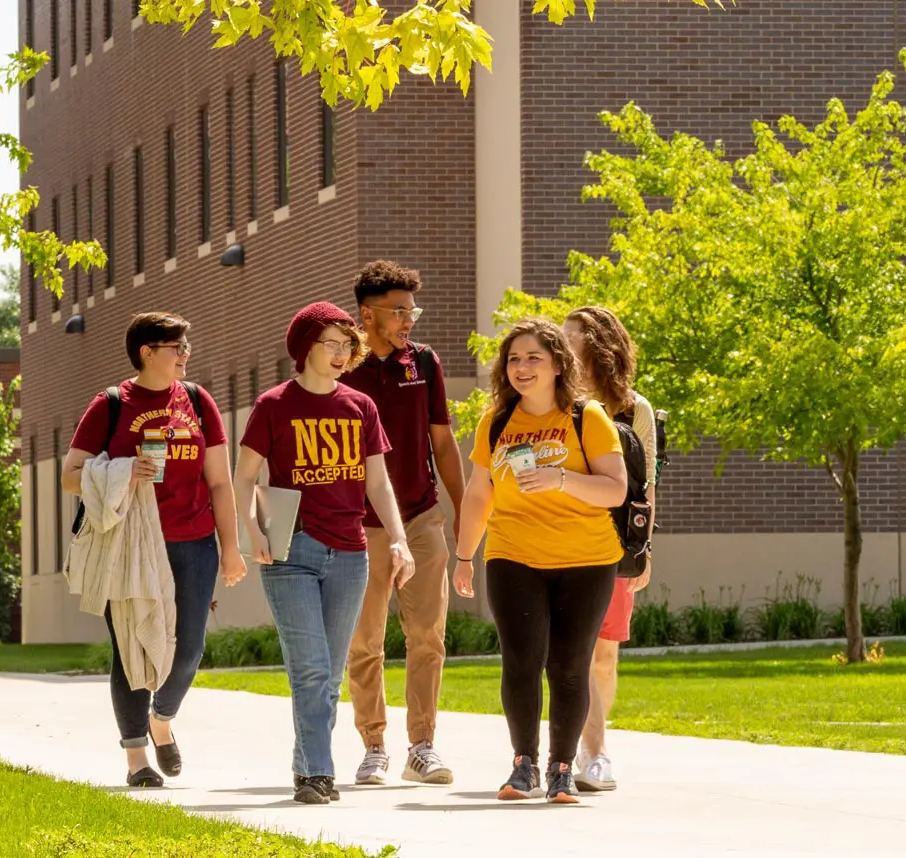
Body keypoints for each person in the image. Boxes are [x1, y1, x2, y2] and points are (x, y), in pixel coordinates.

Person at [234, 301, 415, 805]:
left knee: (330, 672)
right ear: (304, 347)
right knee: (310, 667)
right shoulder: (273, 405)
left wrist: (398, 537)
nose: (340, 354)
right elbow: (244, 477)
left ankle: (304, 762)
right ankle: (319, 771)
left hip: (351, 553)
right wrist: (253, 532)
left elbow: (377, 482)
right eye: (330, 344)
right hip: (289, 550)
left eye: (346, 345)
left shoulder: (360, 407)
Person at [62, 311, 247, 788]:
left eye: (187, 347)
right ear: (148, 353)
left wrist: (231, 548)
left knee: (188, 649)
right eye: (177, 348)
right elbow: (69, 476)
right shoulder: (110, 404)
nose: (186, 355)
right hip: (129, 544)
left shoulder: (197, 401)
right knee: (131, 649)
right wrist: (123, 470)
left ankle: (161, 718)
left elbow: (221, 483)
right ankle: (137, 759)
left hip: (195, 541)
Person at [453, 317, 628, 804]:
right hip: (514, 555)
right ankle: (523, 765)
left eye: (534, 358)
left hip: (587, 559)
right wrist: (464, 555)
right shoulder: (497, 422)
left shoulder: (586, 417)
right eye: (514, 358)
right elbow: (476, 495)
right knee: (521, 661)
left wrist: (561, 479)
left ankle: (563, 769)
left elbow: (616, 490)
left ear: (557, 365)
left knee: (569, 666)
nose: (522, 367)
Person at [340, 260, 466, 786]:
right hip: (360, 523)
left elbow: (442, 441)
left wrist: (467, 515)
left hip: (421, 514)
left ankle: (423, 746)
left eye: (413, 309)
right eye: (399, 311)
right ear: (367, 315)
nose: (409, 319)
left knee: (427, 635)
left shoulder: (426, 363)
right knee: (365, 640)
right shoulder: (341, 366)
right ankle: (373, 745)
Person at [563, 306, 657, 792]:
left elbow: (647, 485)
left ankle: (589, 743)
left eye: (570, 338)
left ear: (597, 346)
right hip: (562, 541)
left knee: (604, 654)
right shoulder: (555, 402)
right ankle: (594, 751)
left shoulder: (634, 409)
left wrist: (643, 549)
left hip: (615, 543)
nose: (562, 345)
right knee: (576, 650)